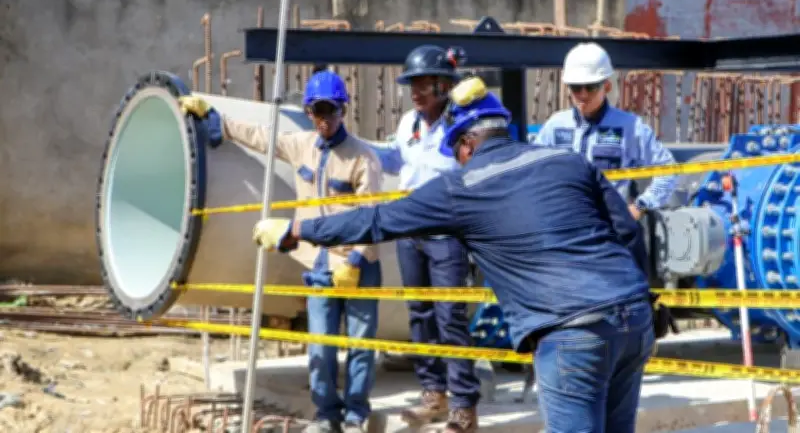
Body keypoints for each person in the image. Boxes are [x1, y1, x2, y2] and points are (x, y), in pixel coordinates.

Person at [252, 76, 656, 433]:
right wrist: (651, 301)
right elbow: (627, 231)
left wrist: (298, 230)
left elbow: (376, 220)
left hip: (572, 330)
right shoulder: (567, 160)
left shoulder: (461, 187)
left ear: (466, 145)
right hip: (634, 319)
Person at [179, 69, 384, 433]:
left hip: (356, 266)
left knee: (360, 346)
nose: (325, 120)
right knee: (319, 348)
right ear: (308, 112)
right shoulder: (300, 145)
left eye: (331, 111)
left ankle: (355, 416)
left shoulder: (362, 158)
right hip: (319, 264)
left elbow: (372, 215)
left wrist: (356, 259)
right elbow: (260, 137)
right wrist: (215, 118)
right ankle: (326, 417)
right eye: (318, 112)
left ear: (343, 111)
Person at [371, 44, 481, 432]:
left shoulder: (464, 124)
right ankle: (433, 393)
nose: (415, 93)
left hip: (446, 234)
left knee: (450, 315)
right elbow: (394, 160)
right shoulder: (408, 125)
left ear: (444, 85)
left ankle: (464, 405)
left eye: (422, 85)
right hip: (410, 233)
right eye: (411, 85)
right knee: (419, 313)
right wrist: (357, 146)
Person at [534, 42, 678, 221]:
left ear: (607, 87)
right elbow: (531, 171)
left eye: (591, 87)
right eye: (576, 88)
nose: (583, 94)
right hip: (565, 226)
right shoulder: (555, 126)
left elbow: (668, 169)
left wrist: (641, 205)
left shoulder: (630, 127)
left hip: (610, 229)